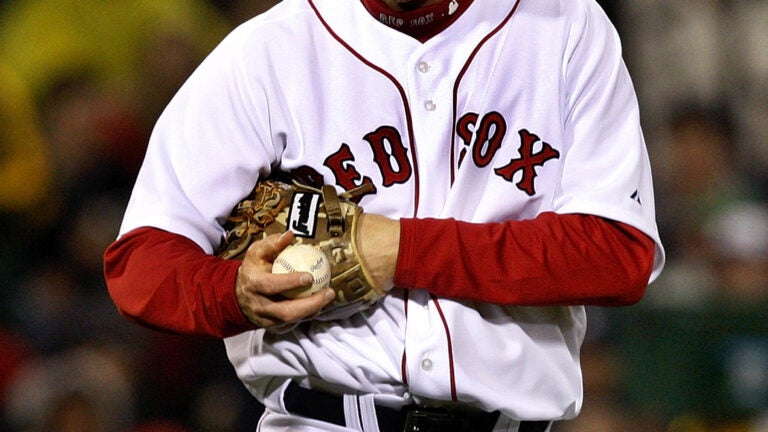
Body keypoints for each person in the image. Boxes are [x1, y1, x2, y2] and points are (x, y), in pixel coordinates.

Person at [103, 0, 665, 431]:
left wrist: (402, 250)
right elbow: (140, 262)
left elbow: (618, 252)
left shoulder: (565, 26)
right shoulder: (269, 50)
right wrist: (234, 292)